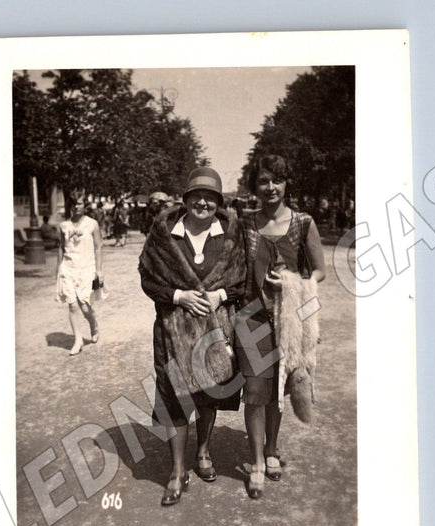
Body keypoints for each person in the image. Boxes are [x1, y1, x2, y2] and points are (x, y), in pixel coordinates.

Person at [139, 167, 246, 506]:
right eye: (197, 196)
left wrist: (220, 296)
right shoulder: (164, 234)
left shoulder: (231, 235)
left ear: (219, 202)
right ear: (185, 200)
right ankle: (176, 470)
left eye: (211, 197)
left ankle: (202, 452)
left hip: (214, 332)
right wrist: (177, 296)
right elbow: (147, 279)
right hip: (172, 330)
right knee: (174, 398)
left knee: (209, 394)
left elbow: (242, 281)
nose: (203, 202)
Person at [235, 154, 326, 499]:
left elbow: (319, 271)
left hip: (290, 319)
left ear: (287, 183)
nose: (270, 187)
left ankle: (272, 449)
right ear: (254, 186)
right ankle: (257, 462)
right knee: (256, 392)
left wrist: (291, 283)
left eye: (277, 180)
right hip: (251, 319)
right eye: (263, 181)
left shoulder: (303, 223)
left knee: (278, 391)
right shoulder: (244, 224)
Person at [56, 190, 104, 356]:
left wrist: (99, 270)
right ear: (70, 205)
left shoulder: (92, 224)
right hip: (68, 268)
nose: (77, 207)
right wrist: (58, 271)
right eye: (74, 203)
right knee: (72, 304)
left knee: (84, 306)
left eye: (80, 203)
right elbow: (61, 249)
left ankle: (93, 325)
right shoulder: (64, 226)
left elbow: (98, 248)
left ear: (85, 205)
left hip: (87, 268)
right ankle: (78, 340)